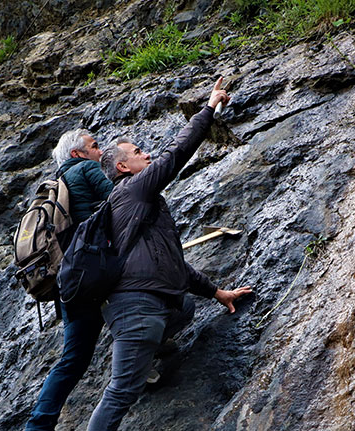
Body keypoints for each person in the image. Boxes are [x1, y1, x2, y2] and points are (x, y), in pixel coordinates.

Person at [88, 77, 252, 431]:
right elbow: (175, 154)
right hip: (135, 307)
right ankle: (139, 362)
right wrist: (207, 110)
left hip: (151, 302)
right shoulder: (132, 190)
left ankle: (146, 356)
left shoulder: (138, 205)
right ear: (122, 167)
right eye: (138, 153)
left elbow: (170, 266)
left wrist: (216, 293)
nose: (146, 155)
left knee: (186, 307)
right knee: (120, 393)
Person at [25, 129, 113, 431]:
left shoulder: (57, 185)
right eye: (95, 146)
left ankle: (38, 425)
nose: (101, 152)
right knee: (145, 303)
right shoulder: (87, 168)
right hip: (95, 272)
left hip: (68, 281)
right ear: (78, 154)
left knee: (72, 359)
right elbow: (118, 199)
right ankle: (151, 357)